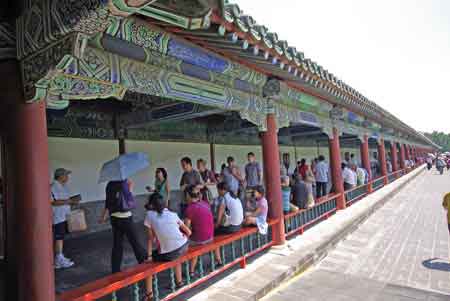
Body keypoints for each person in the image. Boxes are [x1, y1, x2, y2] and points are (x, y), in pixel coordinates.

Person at [145, 193, 191, 297]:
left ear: (152, 205)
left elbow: (150, 239)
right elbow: (189, 232)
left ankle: (149, 294)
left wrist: (149, 256)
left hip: (169, 253)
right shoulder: (173, 214)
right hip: (183, 246)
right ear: (164, 203)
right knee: (175, 253)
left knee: (146, 265)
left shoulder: (149, 215)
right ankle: (179, 282)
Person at [100, 179, 147, 274]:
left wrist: (103, 215)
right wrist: (129, 188)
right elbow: (129, 199)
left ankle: (115, 270)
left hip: (114, 217)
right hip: (125, 217)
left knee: (117, 245)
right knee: (135, 242)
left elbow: (107, 202)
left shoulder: (109, 185)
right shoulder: (124, 183)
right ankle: (145, 264)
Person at [51, 168, 79, 269]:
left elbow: (66, 200)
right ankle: (58, 260)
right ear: (60, 176)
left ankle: (60, 257)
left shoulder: (63, 186)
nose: (67, 177)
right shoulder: (53, 187)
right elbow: (53, 202)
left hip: (64, 216)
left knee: (61, 237)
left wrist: (73, 201)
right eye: (66, 175)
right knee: (59, 238)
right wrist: (69, 201)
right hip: (58, 217)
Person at [183, 185, 214, 277]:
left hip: (200, 240)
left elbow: (187, 229)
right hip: (210, 237)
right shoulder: (205, 203)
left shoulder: (190, 208)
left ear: (188, 196)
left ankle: (191, 271)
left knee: (184, 243)